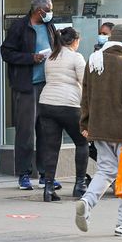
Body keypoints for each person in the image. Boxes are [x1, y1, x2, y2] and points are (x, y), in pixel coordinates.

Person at [75, 24, 122, 237]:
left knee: (106, 171)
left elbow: (85, 98)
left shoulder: (93, 62)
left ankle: (86, 203)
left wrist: (85, 125)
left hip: (99, 129)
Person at [1, 0, 60, 191]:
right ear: (39, 10)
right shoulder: (20, 26)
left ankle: (45, 174)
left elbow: (57, 47)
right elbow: (6, 52)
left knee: (46, 130)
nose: (50, 13)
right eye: (48, 9)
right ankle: (24, 174)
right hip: (27, 86)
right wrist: (30, 58)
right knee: (25, 131)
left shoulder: (50, 26)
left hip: (47, 85)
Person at [38, 27, 88, 202]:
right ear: (74, 41)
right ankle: (80, 185)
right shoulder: (76, 57)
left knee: (51, 147)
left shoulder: (51, 57)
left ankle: (49, 188)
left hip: (46, 103)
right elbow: (85, 83)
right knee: (82, 142)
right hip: (69, 105)